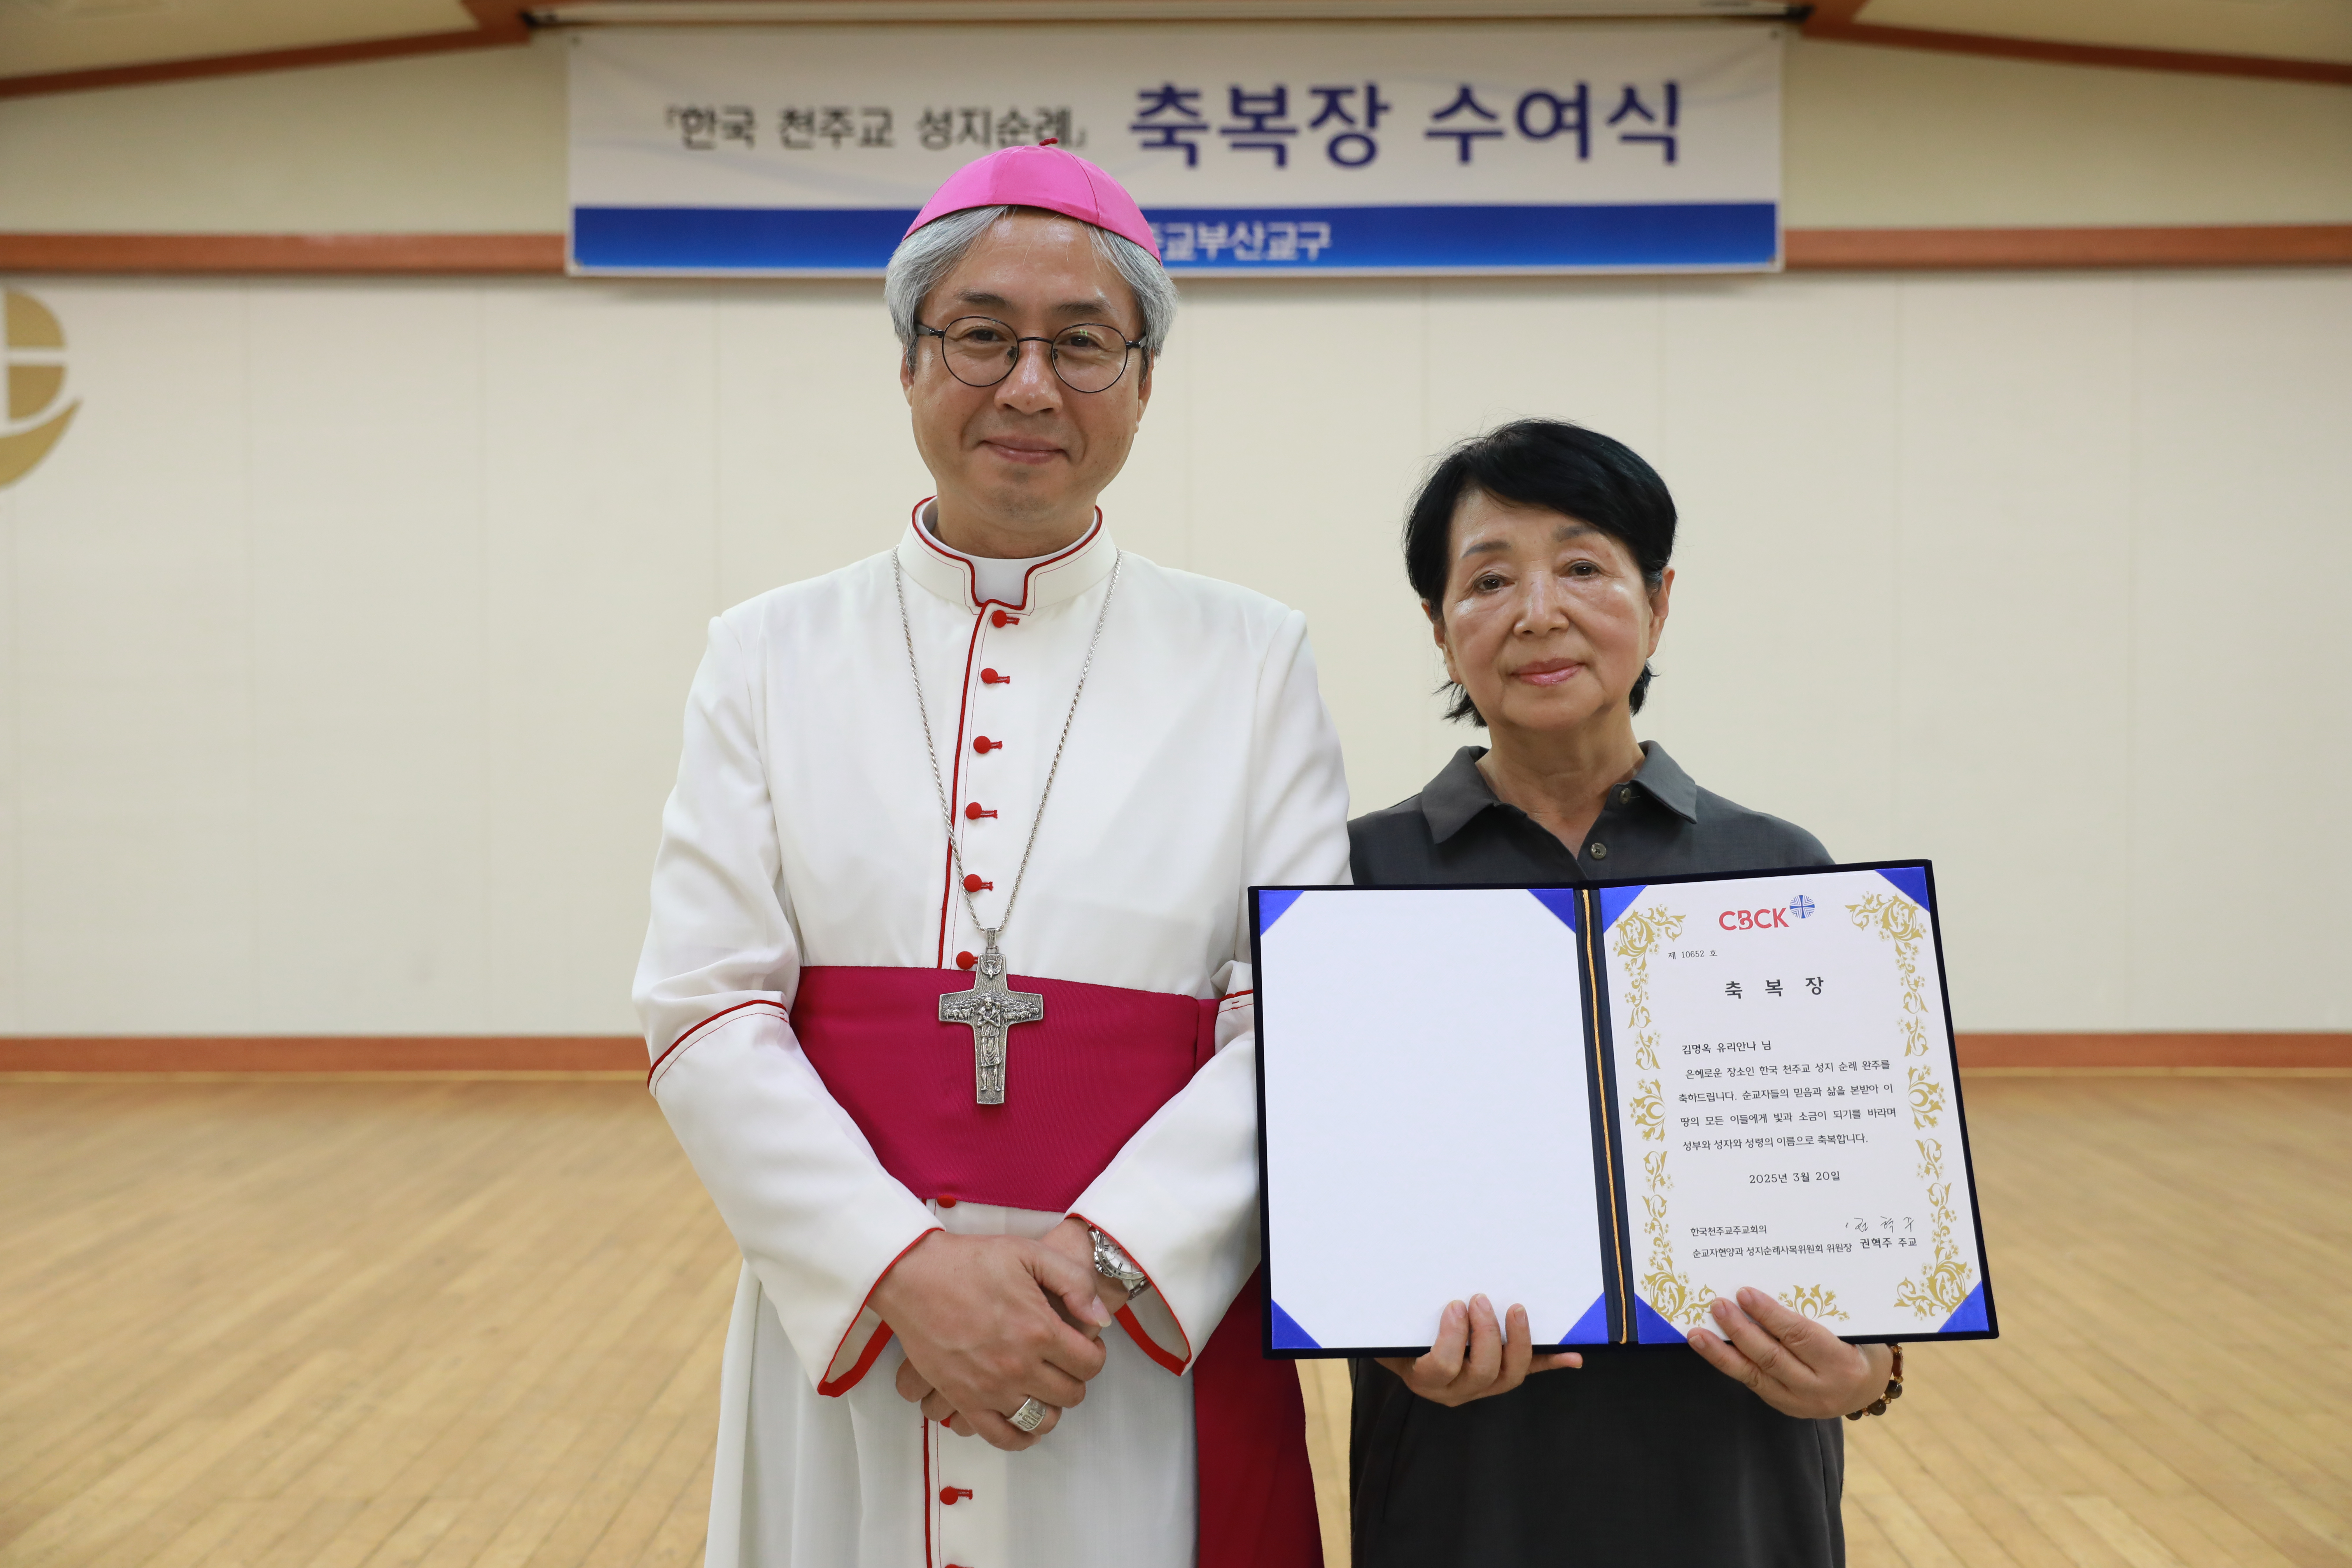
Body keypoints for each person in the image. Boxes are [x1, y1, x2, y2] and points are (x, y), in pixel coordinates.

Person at [633, 143, 1348, 1568]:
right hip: (857, 1325)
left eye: (1085, 345)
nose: (1031, 386)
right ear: (909, 364)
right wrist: (900, 1270)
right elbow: (703, 1002)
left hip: (1127, 1337)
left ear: (1143, 381)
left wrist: (1086, 1269)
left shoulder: (1252, 658)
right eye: (982, 336)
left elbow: (1306, 1010)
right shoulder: (766, 654)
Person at [1346, 419, 1900, 1567]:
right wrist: (1384, 1335)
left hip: (1736, 1470)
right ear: (1439, 629)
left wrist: (1872, 1370)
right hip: (1464, 1469)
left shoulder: (1784, 870)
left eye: (1585, 566)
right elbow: (1328, 1190)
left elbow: (1866, 1199)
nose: (1539, 611)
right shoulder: (1356, 877)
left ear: (1658, 601)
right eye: (1490, 578)